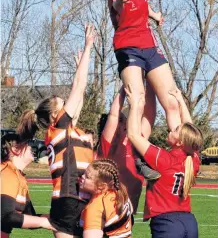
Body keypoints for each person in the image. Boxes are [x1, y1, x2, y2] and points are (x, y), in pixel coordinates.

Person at [17, 23, 96, 238]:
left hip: (76, 197)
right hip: (70, 198)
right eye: (63, 104)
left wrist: (81, 67)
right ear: (55, 115)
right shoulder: (59, 128)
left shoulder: (66, 131)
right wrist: (88, 47)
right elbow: (78, 89)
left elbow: (79, 93)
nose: (67, 104)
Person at [89, 0, 181, 132]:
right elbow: (116, 5)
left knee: (172, 102)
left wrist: (155, 15)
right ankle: (133, 151)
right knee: (138, 101)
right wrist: (118, 5)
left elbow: (144, 5)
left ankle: (181, 152)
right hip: (128, 48)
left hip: (150, 47)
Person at [125, 85, 203, 238]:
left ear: (180, 142)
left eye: (175, 130)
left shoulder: (164, 159)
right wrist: (181, 101)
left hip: (167, 223)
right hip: (189, 221)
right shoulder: (193, 159)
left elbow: (134, 135)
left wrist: (134, 105)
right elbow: (191, 130)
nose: (171, 130)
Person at [97, 84, 160, 214]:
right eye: (121, 120)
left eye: (126, 120)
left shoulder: (138, 142)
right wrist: (126, 83)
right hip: (107, 208)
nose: (123, 123)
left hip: (128, 211)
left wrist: (151, 84)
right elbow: (113, 115)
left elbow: (150, 115)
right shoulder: (109, 145)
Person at [1, 133, 56, 237]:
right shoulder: (6, 172)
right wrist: (43, 222)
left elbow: (29, 216)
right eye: (26, 144)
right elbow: (6, 216)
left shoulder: (18, 176)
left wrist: (56, 218)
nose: (31, 146)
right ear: (15, 150)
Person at [79, 159, 133, 238]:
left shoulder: (95, 207)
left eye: (87, 177)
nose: (82, 176)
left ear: (102, 186)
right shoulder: (120, 192)